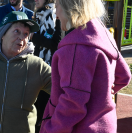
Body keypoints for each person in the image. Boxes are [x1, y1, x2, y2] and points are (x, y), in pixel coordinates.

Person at [40, 0, 131, 133]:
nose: (56, 14)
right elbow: (124, 76)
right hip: (106, 124)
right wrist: (100, 95)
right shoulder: (104, 35)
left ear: (68, 7)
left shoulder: (75, 47)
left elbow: (72, 104)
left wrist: (50, 129)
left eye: (57, 6)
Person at [30, 0, 61, 132]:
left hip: (47, 71)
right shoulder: (38, 15)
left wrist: (34, 37)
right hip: (34, 68)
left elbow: (56, 44)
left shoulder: (54, 15)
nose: (35, 0)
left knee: (42, 113)